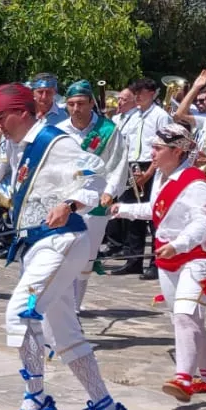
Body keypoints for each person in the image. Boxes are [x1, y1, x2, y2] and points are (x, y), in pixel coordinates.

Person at [0, 83, 132, 410]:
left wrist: (70, 202)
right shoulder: (18, 146)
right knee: (63, 333)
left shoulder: (54, 139)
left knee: (21, 313)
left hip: (61, 242)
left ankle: (36, 399)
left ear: (19, 112)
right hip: (39, 246)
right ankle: (107, 409)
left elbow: (95, 174)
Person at [110, 121, 206, 398]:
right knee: (188, 318)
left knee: (185, 314)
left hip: (199, 257)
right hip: (169, 256)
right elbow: (156, 208)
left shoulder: (196, 183)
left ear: (176, 151)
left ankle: (183, 378)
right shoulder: (161, 177)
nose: (152, 153)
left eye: (158, 148)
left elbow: (204, 223)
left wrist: (178, 243)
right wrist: (122, 209)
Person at [58, 81, 126, 306]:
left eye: (80, 103)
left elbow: (117, 163)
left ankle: (76, 305)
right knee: (64, 254)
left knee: (86, 257)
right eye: (70, 104)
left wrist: (110, 191)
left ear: (90, 103)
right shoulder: (59, 131)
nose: (75, 109)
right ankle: (65, 306)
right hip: (66, 198)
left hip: (96, 199)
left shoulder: (108, 130)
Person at [108, 76, 171, 278]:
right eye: (134, 94)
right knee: (132, 214)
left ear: (151, 94)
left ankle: (155, 262)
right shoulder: (134, 116)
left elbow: (162, 147)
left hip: (151, 165)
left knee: (153, 216)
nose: (137, 97)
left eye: (140, 94)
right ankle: (134, 260)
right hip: (132, 165)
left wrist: (149, 173)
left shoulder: (160, 116)